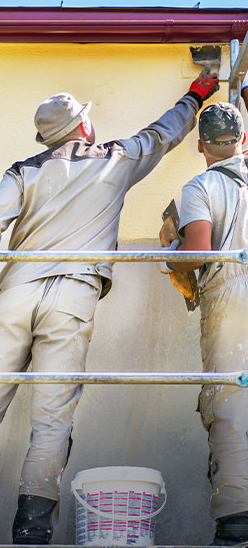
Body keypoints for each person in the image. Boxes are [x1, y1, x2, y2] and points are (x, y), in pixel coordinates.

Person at [0, 72, 219, 545]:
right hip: (73, 296)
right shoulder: (116, 159)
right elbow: (164, 133)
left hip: (15, 294)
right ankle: (32, 531)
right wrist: (197, 94)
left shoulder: (22, 171)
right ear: (83, 126)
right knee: (51, 420)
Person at [158, 102, 248, 545]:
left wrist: (168, 249)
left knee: (230, 403)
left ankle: (236, 527)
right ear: (243, 140)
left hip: (232, 295)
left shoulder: (203, 185)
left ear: (200, 146)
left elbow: (198, 253)